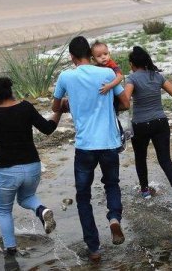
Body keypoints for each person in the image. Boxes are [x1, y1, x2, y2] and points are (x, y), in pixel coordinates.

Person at [52, 36, 130, 263]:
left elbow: (56, 106)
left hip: (85, 146)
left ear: (72, 57)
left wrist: (69, 103)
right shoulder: (106, 73)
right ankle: (114, 220)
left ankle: (94, 248)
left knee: (83, 196)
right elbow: (125, 103)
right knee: (112, 184)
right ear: (89, 53)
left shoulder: (66, 76)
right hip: (108, 143)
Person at [0, 77, 63, 255]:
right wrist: (59, 112)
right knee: (26, 198)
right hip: (33, 167)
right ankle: (41, 210)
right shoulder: (26, 107)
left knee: (4, 210)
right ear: (11, 92)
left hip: (8, 171)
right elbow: (48, 128)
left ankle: (10, 249)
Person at [123, 46, 172, 207]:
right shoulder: (157, 76)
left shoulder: (132, 79)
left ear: (132, 64)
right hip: (160, 123)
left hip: (140, 125)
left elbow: (125, 102)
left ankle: (145, 192)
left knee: (140, 158)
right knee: (165, 160)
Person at [91, 40, 129, 152]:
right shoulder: (96, 68)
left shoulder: (111, 64)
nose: (103, 57)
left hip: (114, 95)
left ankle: (121, 136)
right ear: (93, 59)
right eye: (99, 56)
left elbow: (120, 77)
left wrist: (109, 86)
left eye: (105, 54)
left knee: (114, 117)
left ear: (109, 54)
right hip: (106, 97)